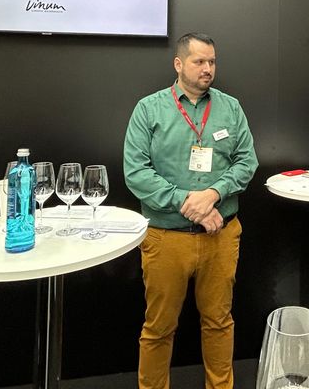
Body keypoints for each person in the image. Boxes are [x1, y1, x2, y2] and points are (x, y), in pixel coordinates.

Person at [123, 32, 258, 389]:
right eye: (199, 61)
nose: (208, 68)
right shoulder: (149, 109)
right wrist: (188, 203)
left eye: (212, 61)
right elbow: (136, 173)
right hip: (166, 238)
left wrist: (213, 194)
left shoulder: (230, 107)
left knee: (219, 322)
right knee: (159, 328)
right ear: (179, 64)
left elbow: (247, 162)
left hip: (220, 235)